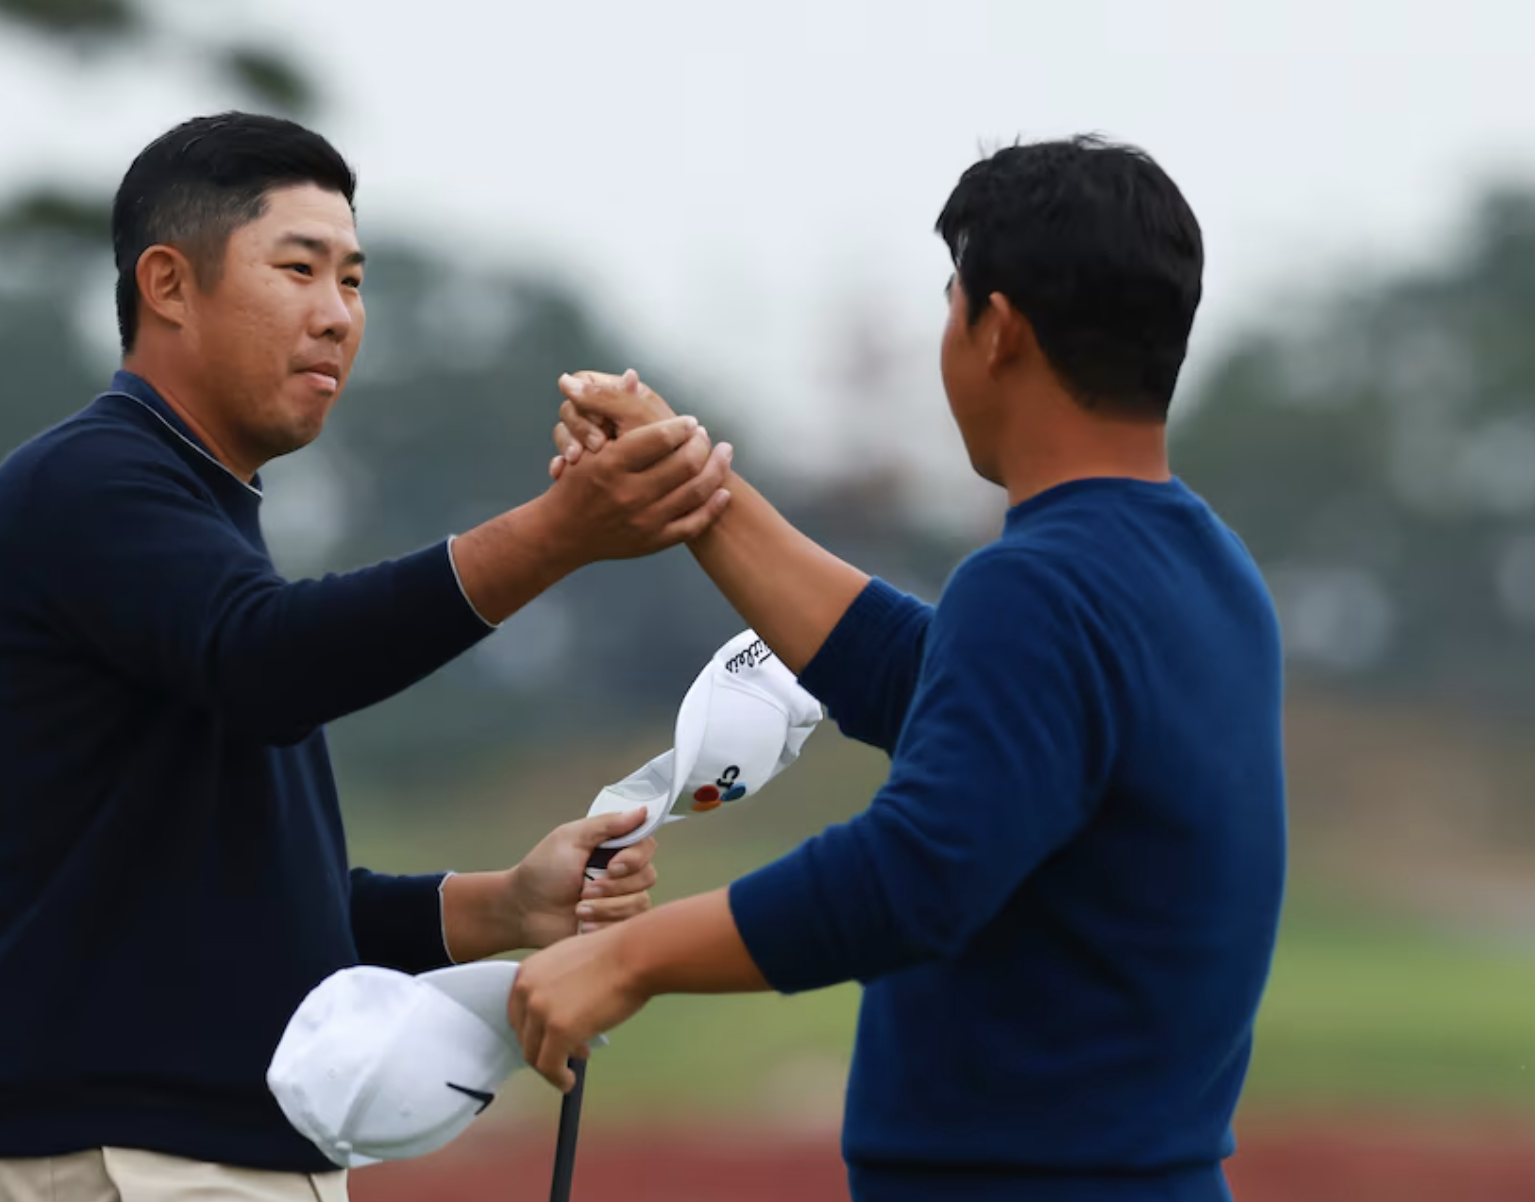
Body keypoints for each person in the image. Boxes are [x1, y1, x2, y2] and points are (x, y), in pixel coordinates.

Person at [0, 112, 734, 1202]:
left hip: (156, 1156)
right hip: (140, 1163)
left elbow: (265, 901)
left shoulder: (189, 512)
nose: (337, 316)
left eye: (354, 281)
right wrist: (560, 532)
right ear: (168, 284)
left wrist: (503, 904)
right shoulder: (92, 481)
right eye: (298, 269)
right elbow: (273, 662)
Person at [512, 136, 1288, 1202]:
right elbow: (927, 679)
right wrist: (696, 487)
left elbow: (919, 871)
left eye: (951, 300)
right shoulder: (1205, 568)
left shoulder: (1037, 584)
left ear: (998, 330)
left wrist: (623, 958)